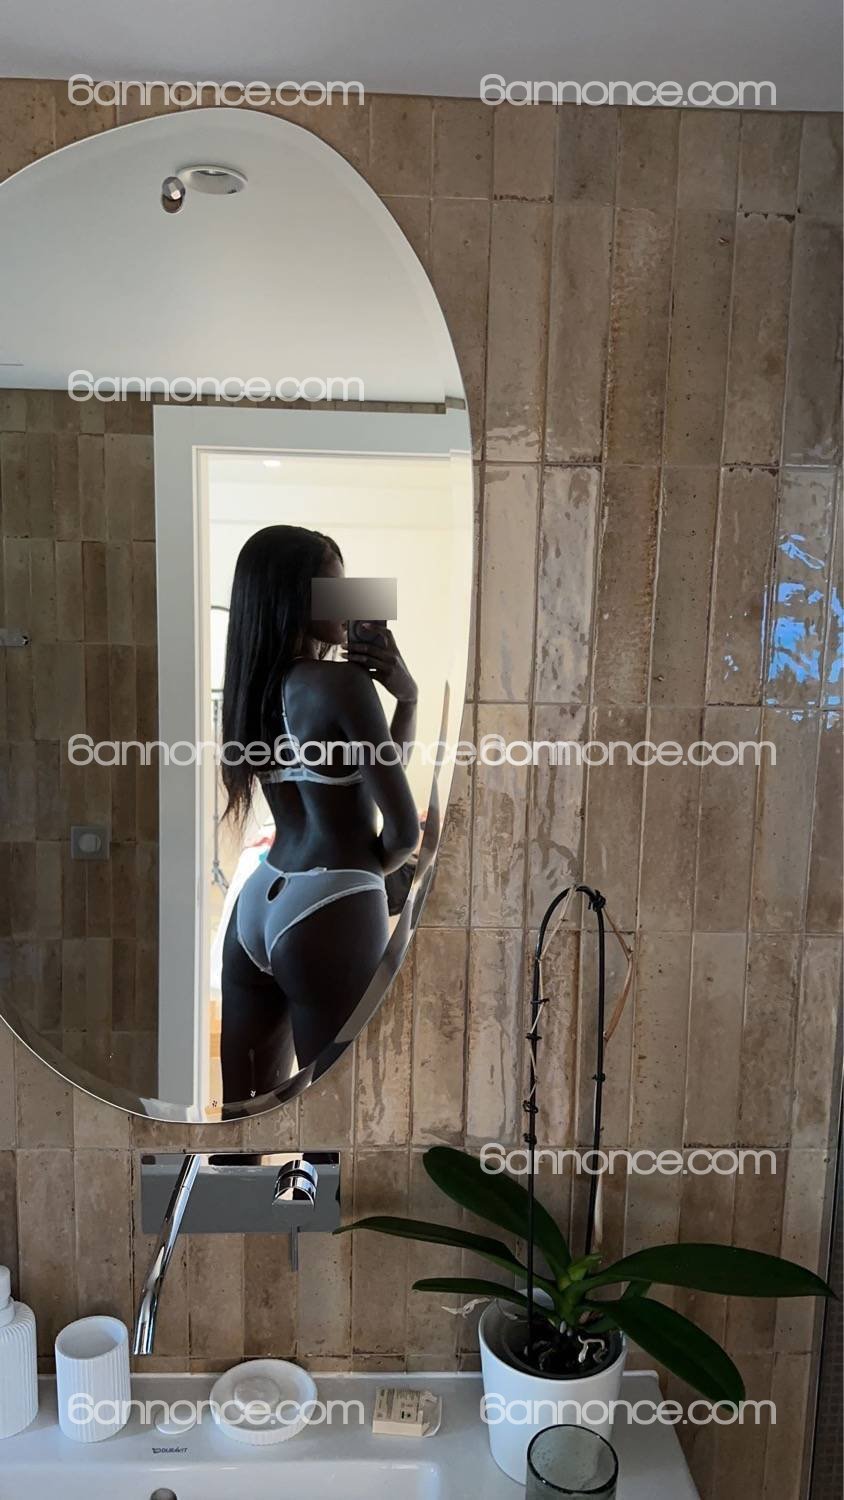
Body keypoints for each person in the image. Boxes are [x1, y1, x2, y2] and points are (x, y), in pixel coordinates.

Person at [219, 524, 420, 1105]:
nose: (349, 600)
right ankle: (306, 1183)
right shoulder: (342, 683)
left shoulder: (248, 691)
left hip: (260, 900)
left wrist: (404, 702)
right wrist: (365, 876)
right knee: (330, 1117)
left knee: (244, 1115)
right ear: (296, 597)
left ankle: (234, 1174)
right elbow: (403, 831)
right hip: (331, 903)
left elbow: (364, 773)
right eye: (335, 587)